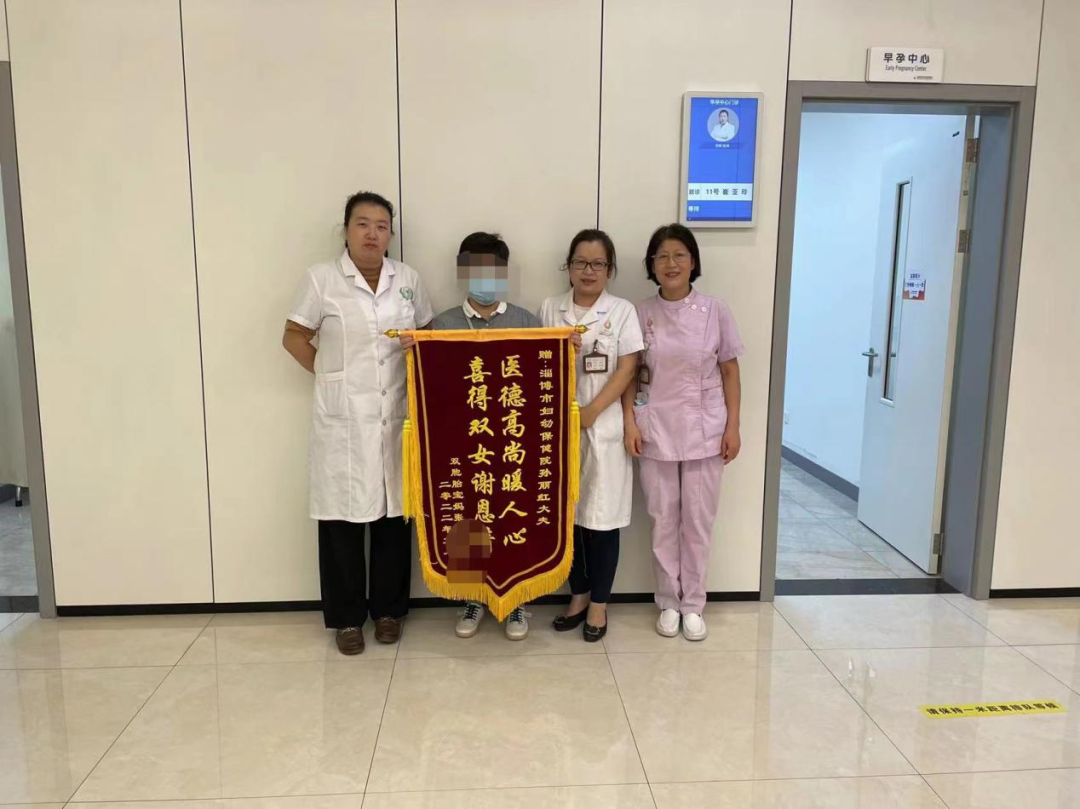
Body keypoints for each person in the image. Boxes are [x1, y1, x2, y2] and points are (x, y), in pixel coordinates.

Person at [283, 191, 433, 656]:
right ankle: (347, 619)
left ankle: (389, 612)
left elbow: (427, 335)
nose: (372, 234)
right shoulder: (322, 278)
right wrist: (330, 377)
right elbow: (294, 336)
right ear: (346, 230)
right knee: (342, 521)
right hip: (343, 420)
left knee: (393, 515)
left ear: (390, 235)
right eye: (363, 224)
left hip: (397, 416)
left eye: (381, 226)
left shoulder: (407, 279)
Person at [623, 223, 743, 642]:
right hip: (654, 428)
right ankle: (668, 602)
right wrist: (629, 422)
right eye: (662, 256)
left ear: (693, 262)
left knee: (697, 522)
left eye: (679, 255)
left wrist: (733, 426)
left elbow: (730, 371)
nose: (670, 263)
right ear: (651, 265)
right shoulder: (640, 313)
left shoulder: (715, 311)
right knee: (662, 521)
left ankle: (693, 604)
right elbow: (630, 373)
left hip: (705, 430)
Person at [430, 231, 541, 641]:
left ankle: (516, 600)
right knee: (469, 518)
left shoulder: (527, 322)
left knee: (513, 516)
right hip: (465, 441)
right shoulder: (442, 324)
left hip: (513, 442)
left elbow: (540, 381)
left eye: (492, 270)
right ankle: (472, 598)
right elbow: (433, 385)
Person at [540, 229, 642, 642]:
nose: (588, 271)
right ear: (568, 266)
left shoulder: (622, 311)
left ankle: (599, 604)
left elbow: (628, 367)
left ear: (610, 270)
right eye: (580, 262)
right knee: (569, 521)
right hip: (558, 431)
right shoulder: (550, 308)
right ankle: (578, 596)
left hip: (604, 428)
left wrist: (593, 411)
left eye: (598, 264)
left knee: (602, 522)